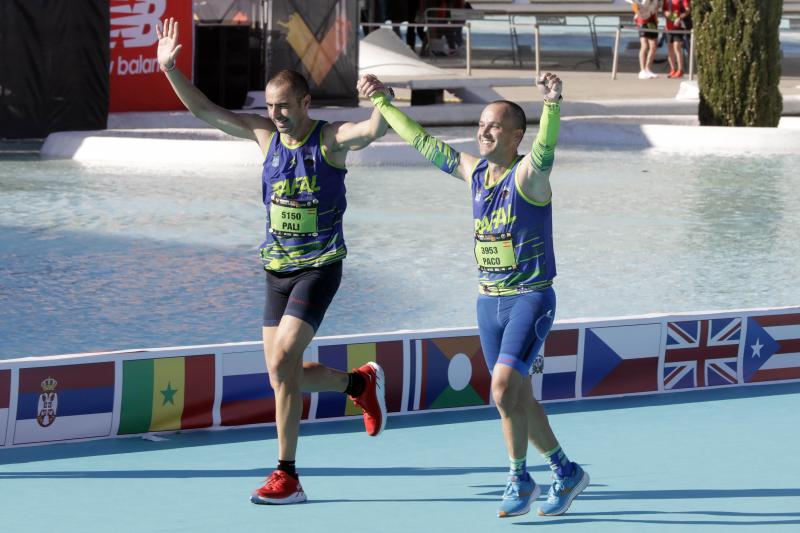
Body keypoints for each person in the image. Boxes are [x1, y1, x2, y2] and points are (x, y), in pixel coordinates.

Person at [156, 18, 391, 505]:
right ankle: (358, 383)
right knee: (281, 373)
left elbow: (370, 131)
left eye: (285, 106)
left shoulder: (328, 140)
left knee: (284, 361)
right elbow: (205, 110)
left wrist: (382, 101)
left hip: (319, 266)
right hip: (276, 270)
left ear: (306, 103)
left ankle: (288, 474)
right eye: (270, 107)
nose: (277, 114)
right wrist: (169, 69)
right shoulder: (264, 138)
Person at [360, 73, 589, 518]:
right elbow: (425, 144)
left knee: (502, 390)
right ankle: (565, 470)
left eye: (494, 126)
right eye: (481, 124)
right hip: (488, 302)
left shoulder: (529, 176)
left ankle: (519, 478)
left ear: (515, 136)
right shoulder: (475, 173)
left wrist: (553, 104)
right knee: (517, 397)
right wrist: (386, 105)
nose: (483, 131)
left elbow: (546, 150)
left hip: (530, 297)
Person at [627, 0, 661, 79]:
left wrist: (655, 16)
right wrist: (637, 11)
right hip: (642, 21)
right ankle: (642, 70)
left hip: (652, 22)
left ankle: (647, 69)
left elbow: (656, 8)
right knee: (644, 45)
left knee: (653, 46)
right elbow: (635, 6)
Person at [664, 0, 692, 78]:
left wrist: (679, 17)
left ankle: (680, 70)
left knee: (677, 47)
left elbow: (688, 10)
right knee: (670, 47)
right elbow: (664, 9)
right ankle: (673, 69)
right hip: (668, 27)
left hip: (678, 26)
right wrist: (666, 13)